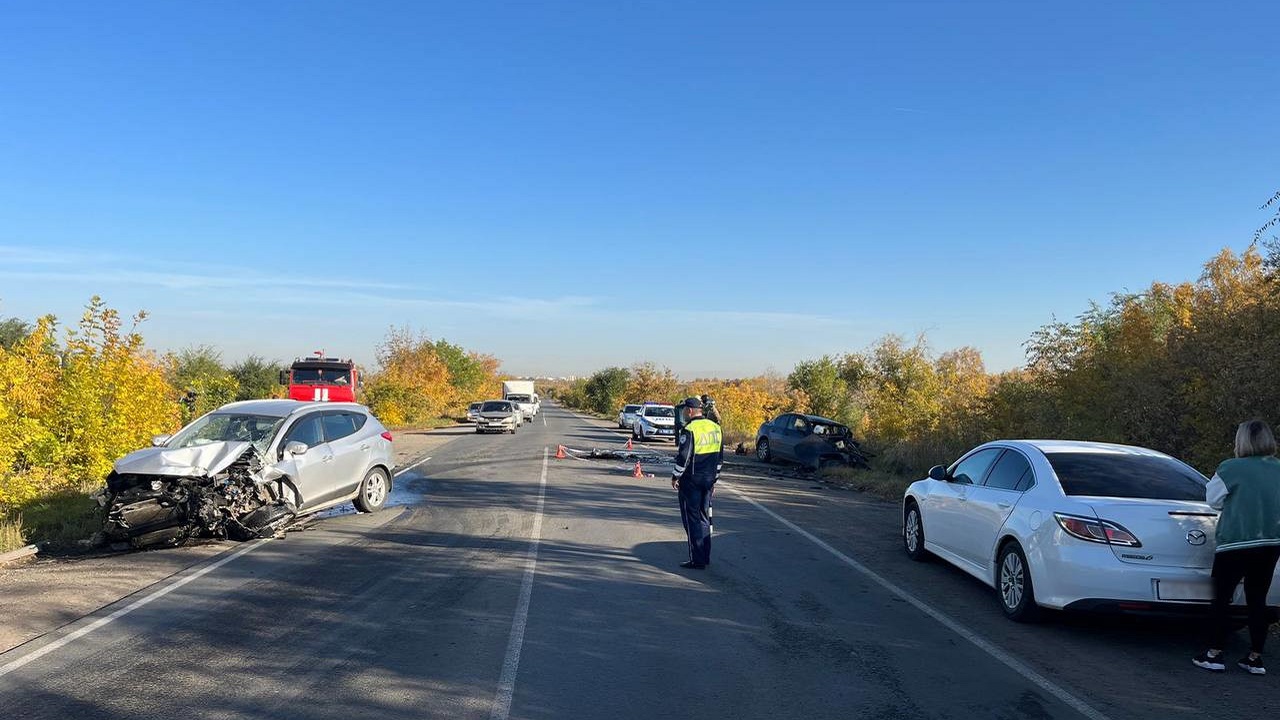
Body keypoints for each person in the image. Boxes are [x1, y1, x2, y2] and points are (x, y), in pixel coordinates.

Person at [1193, 419, 1280, 675]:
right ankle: (1255, 658)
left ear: (1241, 441)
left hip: (1236, 541)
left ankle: (1214, 653)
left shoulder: (1231, 468)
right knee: (1257, 599)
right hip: (1271, 541)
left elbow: (1213, 501)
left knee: (1222, 597)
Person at [671, 397, 723, 570]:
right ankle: (705, 556)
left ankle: (697, 559)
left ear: (690, 410)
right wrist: (714, 480)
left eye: (685, 410)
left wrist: (675, 476)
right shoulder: (716, 428)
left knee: (691, 519)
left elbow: (684, 457)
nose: (684, 413)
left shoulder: (689, 429)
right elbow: (719, 459)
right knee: (704, 517)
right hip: (708, 481)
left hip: (691, 482)